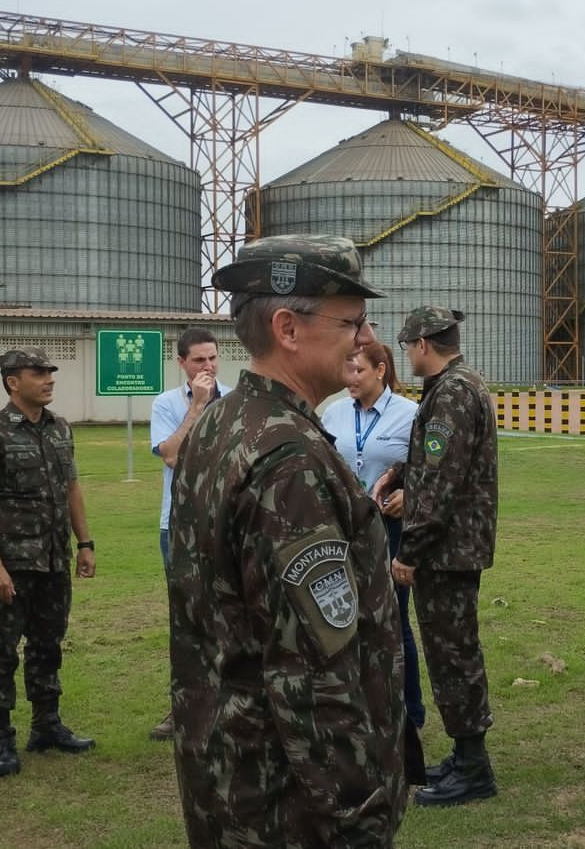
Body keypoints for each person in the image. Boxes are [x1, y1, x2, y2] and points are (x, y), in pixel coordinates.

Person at [168, 234, 406, 846]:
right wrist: (356, 816)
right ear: (288, 328)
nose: (364, 338)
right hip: (288, 805)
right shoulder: (289, 459)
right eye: (352, 321)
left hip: (228, 773)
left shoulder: (223, 421)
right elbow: (312, 676)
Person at [378, 305, 500, 808]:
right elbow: (430, 465)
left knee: (453, 655)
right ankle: (464, 755)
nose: (406, 353)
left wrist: (410, 551)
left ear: (423, 345)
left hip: (447, 550)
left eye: (408, 346)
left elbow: (441, 483)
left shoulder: (452, 393)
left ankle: (474, 767)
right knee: (451, 652)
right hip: (453, 546)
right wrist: (402, 475)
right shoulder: (456, 386)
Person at [0, 346, 96, 777]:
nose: (49, 379)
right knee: (1, 651)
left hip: (54, 559)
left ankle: (47, 724)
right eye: (38, 373)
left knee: (47, 645)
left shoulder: (60, 429)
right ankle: (1, 735)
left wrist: (85, 543)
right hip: (14, 563)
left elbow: (72, 489)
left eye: (50, 372)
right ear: (12, 382)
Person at [321, 341, 426, 731]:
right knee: (344, 621)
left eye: (358, 371)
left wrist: (409, 495)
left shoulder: (410, 414)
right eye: (347, 370)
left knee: (394, 620)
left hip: (389, 529)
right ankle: (356, 710)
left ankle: (410, 714)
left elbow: (430, 472)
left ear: (381, 370)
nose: (350, 378)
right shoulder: (333, 414)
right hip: (343, 530)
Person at [147, 327, 231, 741]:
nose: (209, 367)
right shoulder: (166, 403)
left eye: (213, 358)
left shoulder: (236, 401)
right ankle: (184, 708)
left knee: (232, 614)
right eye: (199, 360)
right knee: (187, 619)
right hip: (179, 526)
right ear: (181, 363)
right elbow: (171, 456)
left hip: (227, 524)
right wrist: (196, 406)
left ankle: (231, 704)